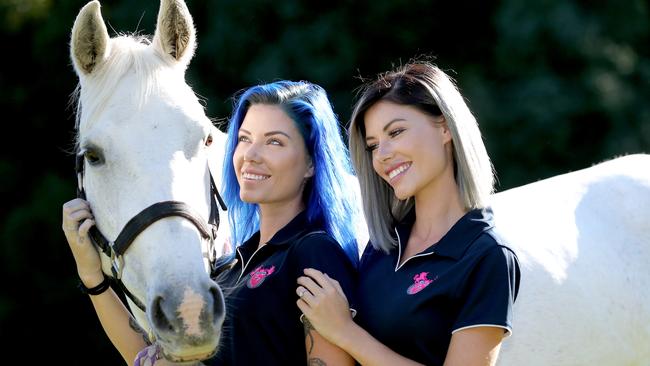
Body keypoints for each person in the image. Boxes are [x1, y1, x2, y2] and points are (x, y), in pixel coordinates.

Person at [62, 80, 361, 365]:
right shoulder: (232, 266)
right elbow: (144, 359)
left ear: (311, 162)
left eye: (274, 142)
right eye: (244, 139)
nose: (251, 155)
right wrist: (93, 277)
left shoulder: (314, 254)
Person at [295, 61, 521, 366]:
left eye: (396, 132)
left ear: (444, 127)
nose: (382, 155)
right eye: (373, 145)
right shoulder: (382, 246)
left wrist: (345, 332)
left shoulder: (487, 256)